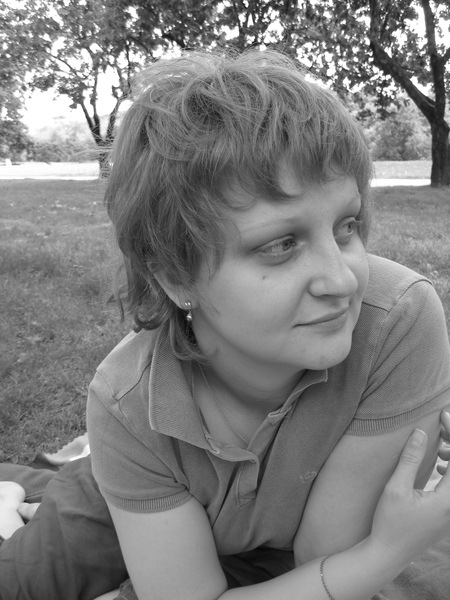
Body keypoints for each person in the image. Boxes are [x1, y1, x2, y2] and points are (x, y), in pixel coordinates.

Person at [1, 49, 450, 600]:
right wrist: (386, 552)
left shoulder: (397, 321)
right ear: (175, 275)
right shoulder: (128, 406)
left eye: (347, 225)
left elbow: (325, 558)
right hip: (141, 503)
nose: (342, 280)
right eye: (280, 245)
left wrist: (371, 559)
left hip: (269, 551)